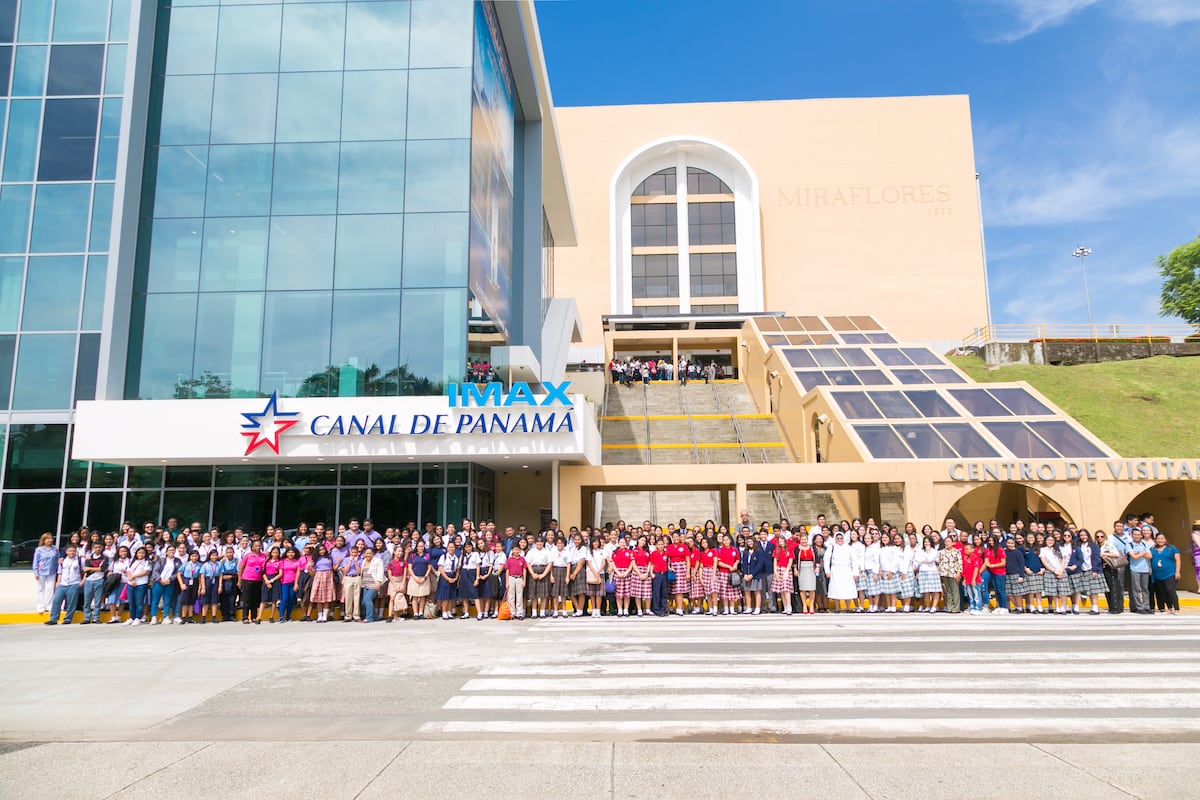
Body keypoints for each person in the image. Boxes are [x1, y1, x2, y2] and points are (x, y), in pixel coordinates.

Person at [45, 544, 82, 625]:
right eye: (70, 551)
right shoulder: (63, 561)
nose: (72, 552)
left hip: (74, 584)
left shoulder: (79, 560)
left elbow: (83, 571)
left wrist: (81, 582)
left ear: (76, 552)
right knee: (56, 601)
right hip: (63, 584)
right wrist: (58, 583)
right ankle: (53, 619)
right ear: (66, 552)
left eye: (73, 551)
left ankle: (68, 619)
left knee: (71, 603)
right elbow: (60, 572)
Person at [824, 533, 857, 612]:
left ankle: (848, 607)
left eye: (841, 538)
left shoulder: (849, 548)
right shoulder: (831, 547)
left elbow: (854, 561)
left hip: (847, 570)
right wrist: (827, 571)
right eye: (838, 538)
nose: (839, 540)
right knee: (836, 589)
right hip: (835, 570)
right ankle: (837, 608)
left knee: (847, 588)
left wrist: (855, 573)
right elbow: (826, 560)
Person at [1149, 532, 1181, 614]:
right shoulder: (1152, 549)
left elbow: (1178, 560)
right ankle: (1169, 608)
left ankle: (1176, 608)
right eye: (1158, 539)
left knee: (1170, 589)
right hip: (1157, 574)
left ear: (1165, 539)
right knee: (1163, 591)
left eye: (1162, 538)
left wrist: (1177, 571)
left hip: (1169, 573)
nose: (1160, 540)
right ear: (1155, 540)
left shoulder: (1172, 548)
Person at [238, 540, 267, 624]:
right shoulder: (248, 555)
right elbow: (241, 567)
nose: (257, 547)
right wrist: (239, 580)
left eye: (259, 545)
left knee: (255, 599)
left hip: (258, 579)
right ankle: (245, 617)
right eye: (255, 546)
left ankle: (254, 616)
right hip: (247, 579)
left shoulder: (263, 556)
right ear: (252, 547)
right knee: (247, 599)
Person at [80, 542, 109, 625]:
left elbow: (102, 569)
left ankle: (96, 618)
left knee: (98, 600)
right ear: (93, 548)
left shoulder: (104, 558)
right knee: (87, 600)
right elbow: (86, 569)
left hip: (99, 579)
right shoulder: (89, 557)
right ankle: (86, 617)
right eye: (95, 547)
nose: (97, 549)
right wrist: (96, 568)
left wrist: (90, 568)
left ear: (102, 548)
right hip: (89, 580)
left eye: (99, 547)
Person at [435, 540, 461, 620]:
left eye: (453, 547)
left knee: (451, 596)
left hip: (453, 576)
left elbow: (457, 569)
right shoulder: (444, 556)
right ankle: (444, 612)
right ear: (447, 548)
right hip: (445, 576)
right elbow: (440, 568)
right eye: (450, 547)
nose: (451, 549)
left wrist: (456, 578)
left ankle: (449, 612)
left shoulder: (456, 557)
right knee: (445, 596)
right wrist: (447, 578)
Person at [33, 533, 58, 615]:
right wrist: (36, 572)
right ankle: (40, 606)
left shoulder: (54, 549)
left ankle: (49, 606)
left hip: (52, 571)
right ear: (43, 540)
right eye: (47, 539)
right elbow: (35, 561)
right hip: (41, 572)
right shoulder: (39, 550)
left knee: (50, 589)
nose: (49, 540)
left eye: (50, 538)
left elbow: (57, 560)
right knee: (40, 589)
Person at [177, 549, 203, 624]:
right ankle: (184, 617)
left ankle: (191, 617)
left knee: (192, 600)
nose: (194, 558)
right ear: (190, 557)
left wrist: (200, 587)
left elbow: (200, 576)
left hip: (195, 582)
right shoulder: (186, 564)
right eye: (192, 556)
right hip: (186, 581)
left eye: (196, 556)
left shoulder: (199, 565)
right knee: (185, 601)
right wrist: (181, 584)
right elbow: (179, 574)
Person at [360, 548, 384, 623]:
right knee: (364, 602)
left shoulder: (377, 561)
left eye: (370, 553)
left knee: (367, 599)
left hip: (374, 584)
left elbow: (380, 571)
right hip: (365, 585)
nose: (368, 555)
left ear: (373, 554)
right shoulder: (364, 561)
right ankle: (375, 617)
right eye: (366, 553)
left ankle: (369, 617)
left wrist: (378, 582)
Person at [505, 545, 527, 620]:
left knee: (519, 596)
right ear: (512, 551)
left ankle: (519, 613)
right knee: (511, 596)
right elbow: (507, 570)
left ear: (520, 551)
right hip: (511, 578)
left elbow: (524, 570)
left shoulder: (522, 559)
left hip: (519, 578)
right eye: (515, 550)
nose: (516, 551)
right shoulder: (509, 560)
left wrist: (524, 580)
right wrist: (507, 582)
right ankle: (512, 613)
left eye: (518, 550)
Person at [199, 550, 221, 623]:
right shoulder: (205, 564)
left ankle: (214, 617)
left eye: (215, 555)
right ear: (209, 556)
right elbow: (202, 576)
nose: (214, 557)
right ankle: (203, 617)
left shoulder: (219, 564)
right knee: (205, 600)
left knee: (214, 600)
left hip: (215, 581)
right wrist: (203, 587)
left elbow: (221, 575)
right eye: (212, 555)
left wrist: (220, 585)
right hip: (207, 581)